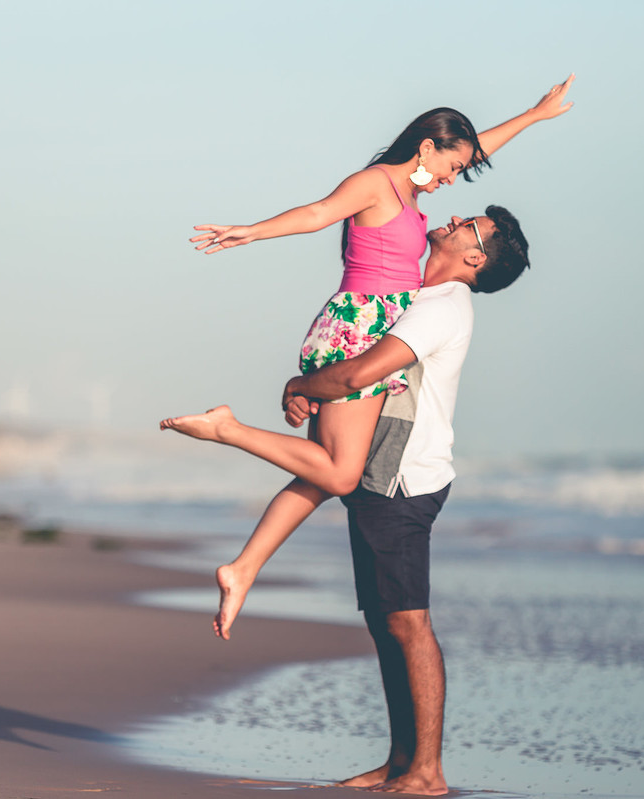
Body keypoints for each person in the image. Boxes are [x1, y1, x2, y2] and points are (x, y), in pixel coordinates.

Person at [174, 76, 573, 641]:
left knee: (323, 469)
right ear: (427, 148)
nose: (452, 181)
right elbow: (318, 212)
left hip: (368, 330)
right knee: (339, 473)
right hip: (356, 332)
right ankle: (226, 429)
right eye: (450, 168)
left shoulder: (409, 195)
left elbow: (475, 146)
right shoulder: (377, 184)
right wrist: (251, 232)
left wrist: (533, 116)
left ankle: (242, 569)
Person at [163, 206, 532, 795]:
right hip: (376, 475)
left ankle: (428, 772)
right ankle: (400, 762)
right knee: (387, 624)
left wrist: (300, 386)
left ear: (475, 259)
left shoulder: (441, 307)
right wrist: (312, 398)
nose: (458, 216)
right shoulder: (414, 293)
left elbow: (358, 375)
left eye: (474, 225)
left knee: (409, 624)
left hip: (402, 481)